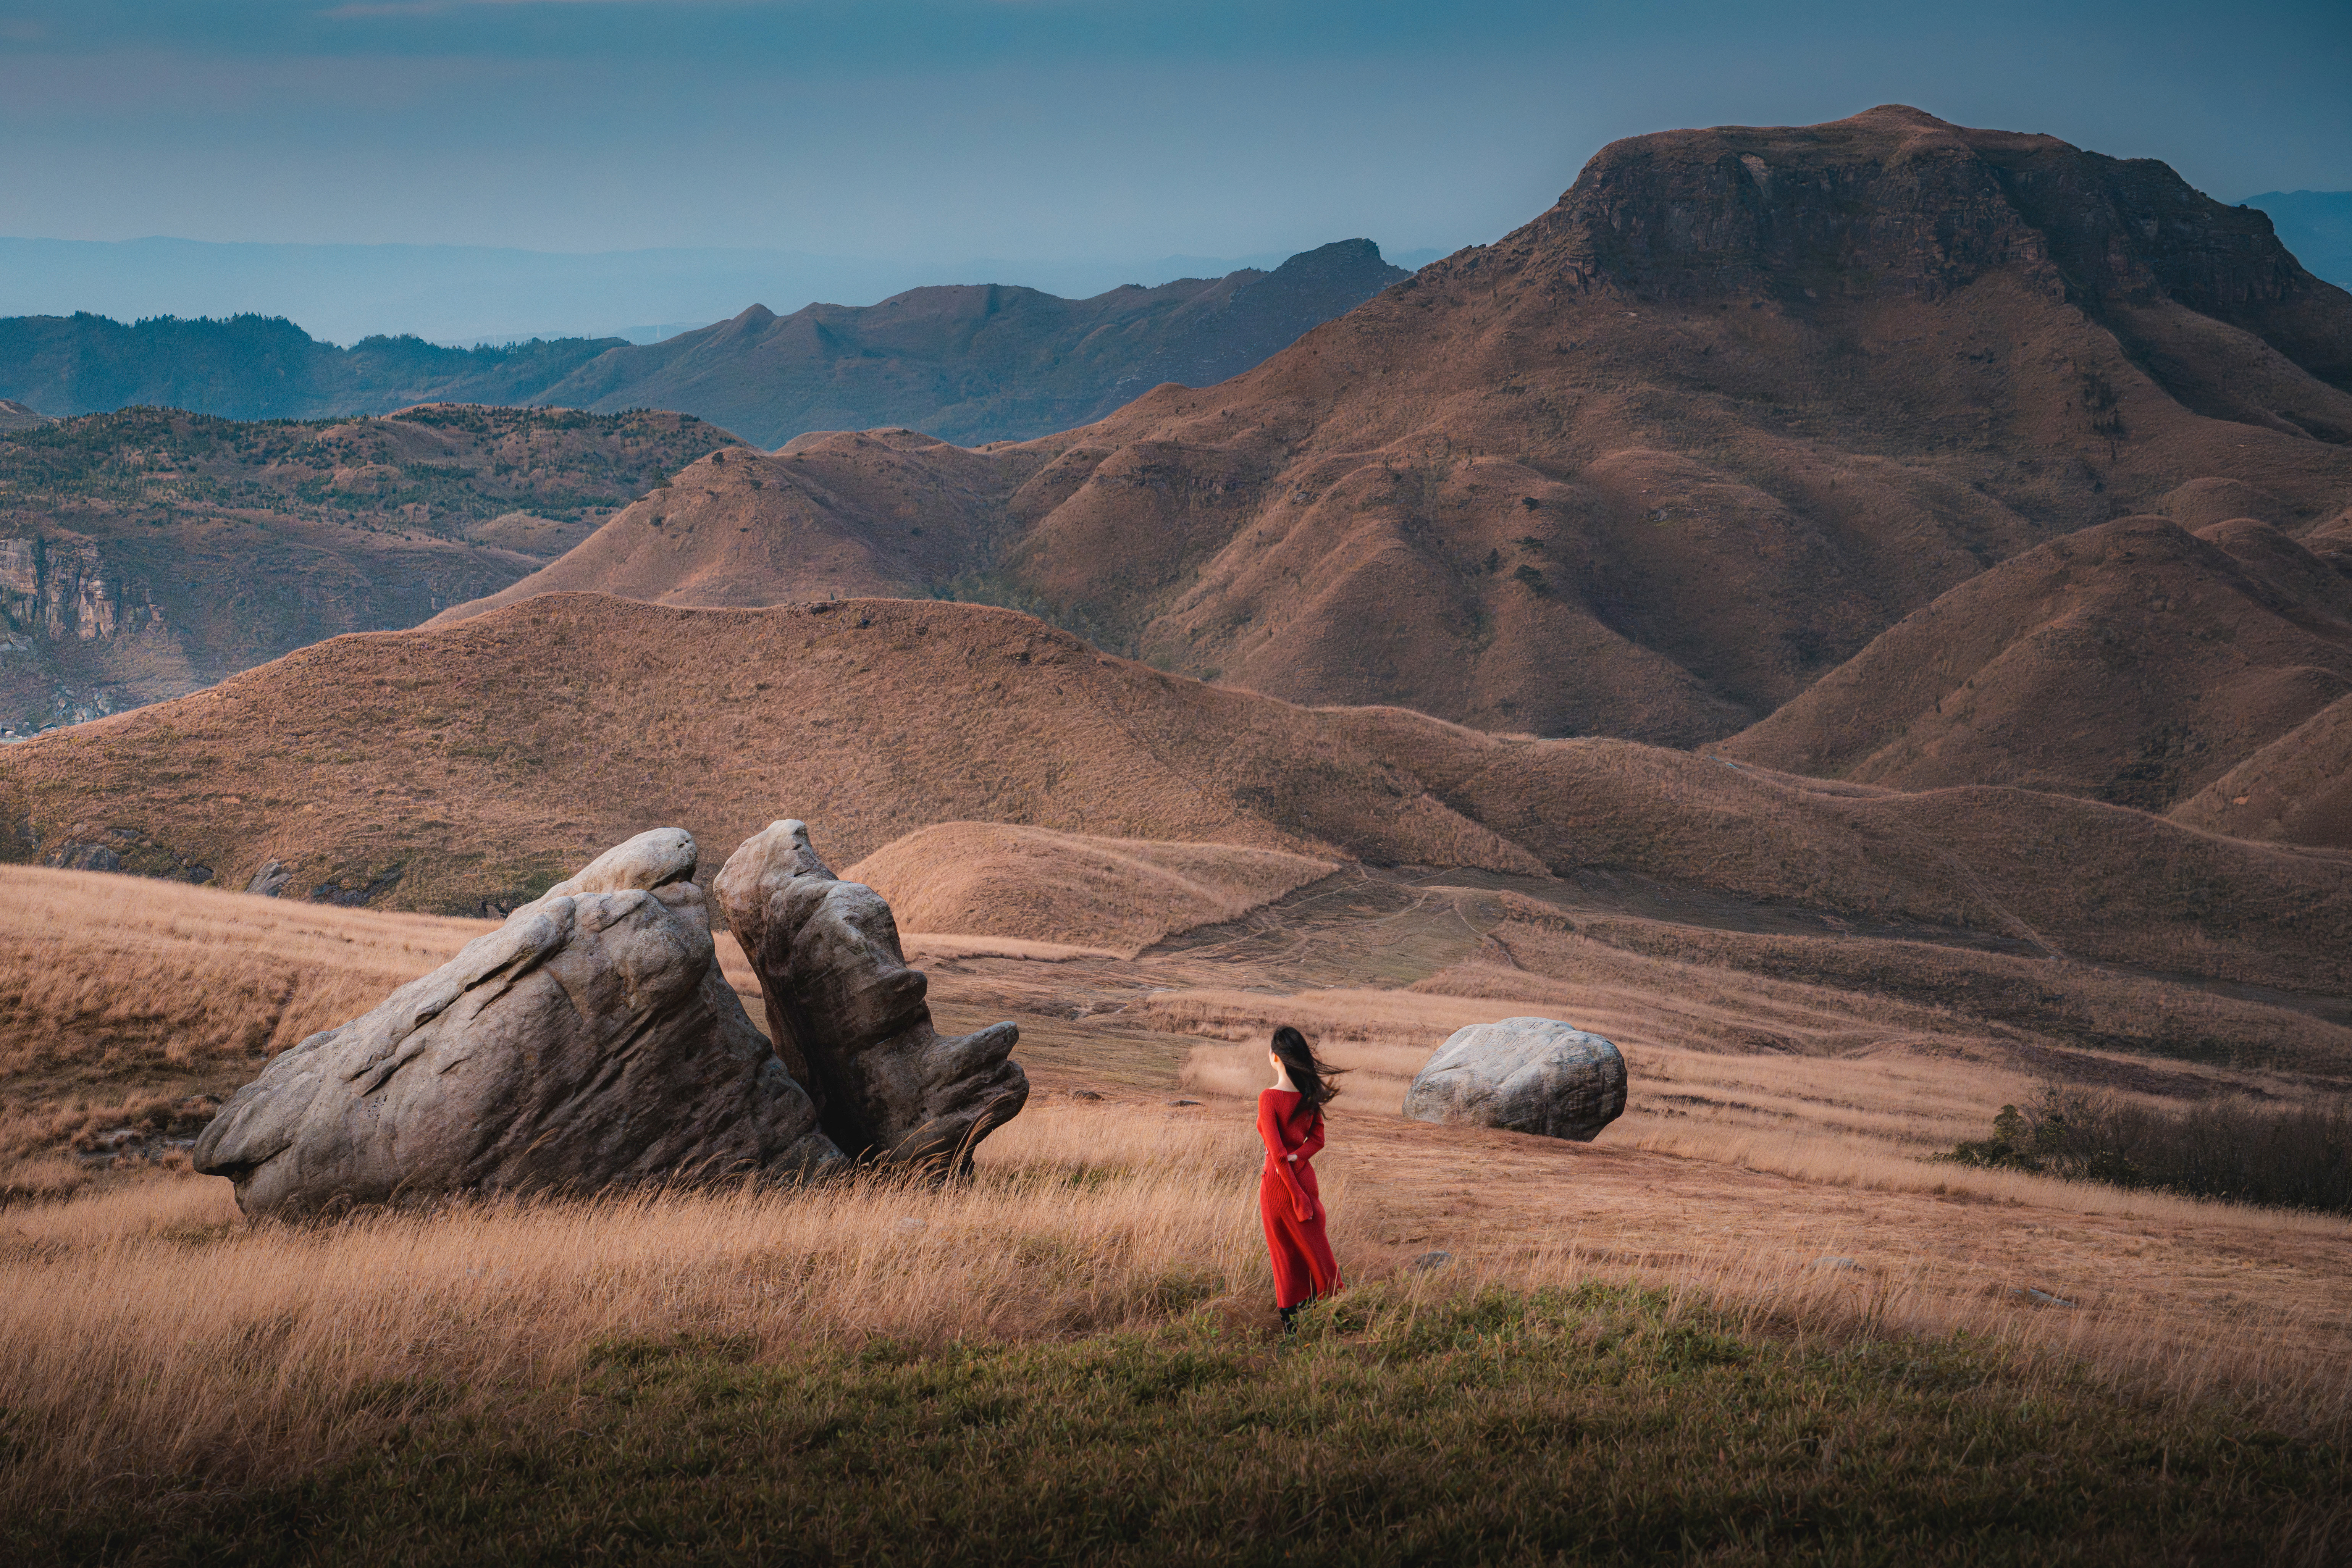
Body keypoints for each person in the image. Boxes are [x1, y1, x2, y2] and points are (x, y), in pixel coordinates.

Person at [1257, 1024, 1343, 1331]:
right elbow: (1317, 1140)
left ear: (1275, 1058)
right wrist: (1300, 1158)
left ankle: (1295, 1330)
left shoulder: (1268, 1098)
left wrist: (1295, 1194)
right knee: (1316, 1249)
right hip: (1304, 1179)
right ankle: (1333, 1313)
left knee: (1286, 1255)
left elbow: (1278, 1153)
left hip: (1280, 1187)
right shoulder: (1309, 1097)